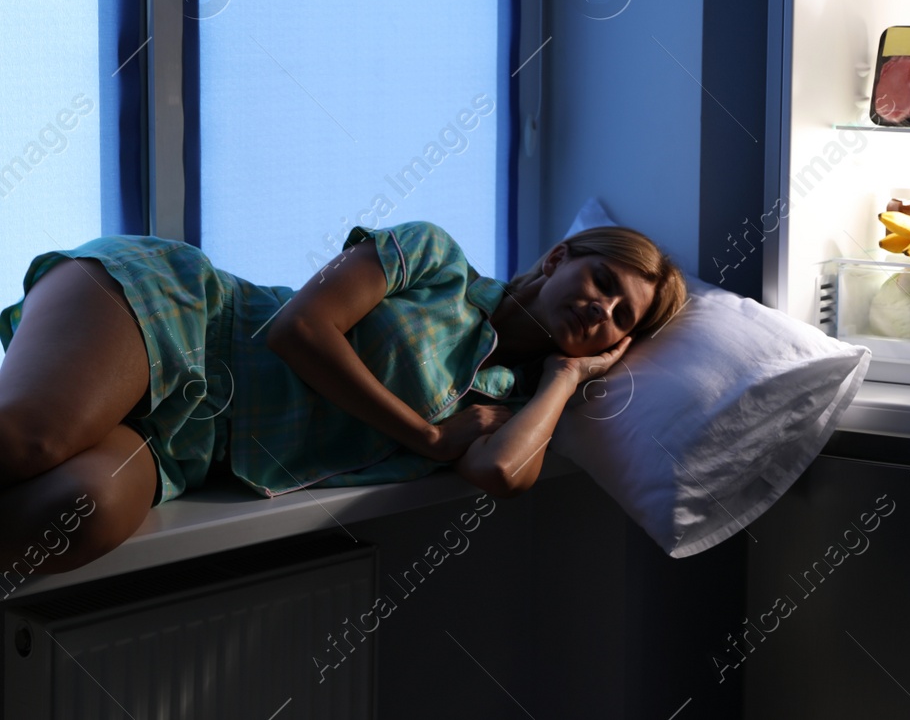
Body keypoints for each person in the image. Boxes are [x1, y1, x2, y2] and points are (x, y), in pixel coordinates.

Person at [0, 220, 686, 577]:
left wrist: (566, 377)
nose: (601, 306)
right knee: (29, 439)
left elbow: (503, 472)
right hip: (177, 313)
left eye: (623, 316)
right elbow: (298, 328)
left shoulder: (508, 401)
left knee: (70, 512)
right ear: (557, 257)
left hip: (188, 446)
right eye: (600, 278)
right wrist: (429, 436)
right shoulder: (436, 258)